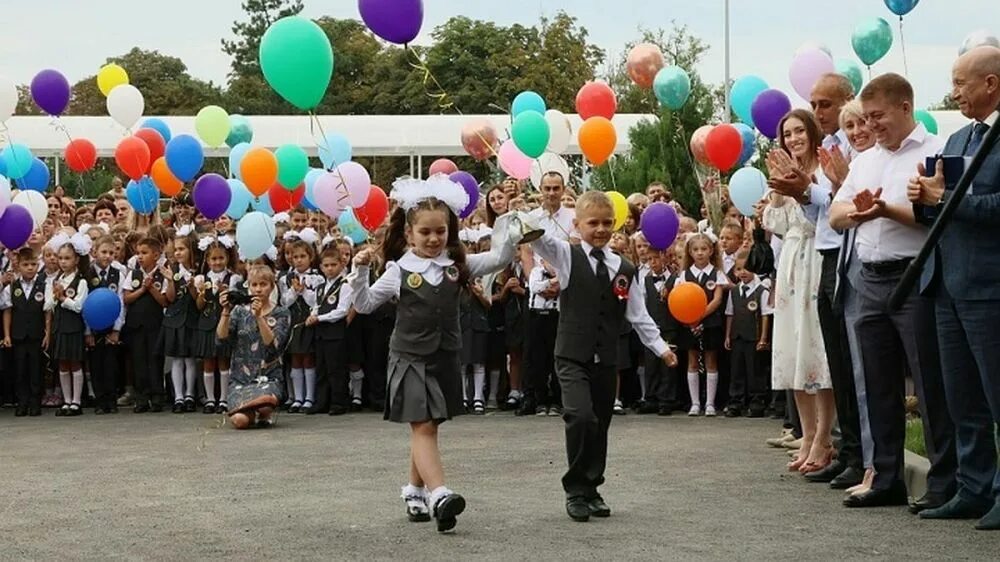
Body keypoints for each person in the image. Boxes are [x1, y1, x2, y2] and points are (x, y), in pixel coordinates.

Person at [349, 175, 515, 533]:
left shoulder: (458, 266)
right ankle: (440, 494)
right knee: (423, 424)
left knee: (427, 426)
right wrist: (360, 270)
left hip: (445, 357)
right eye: (425, 232)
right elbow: (363, 305)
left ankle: (413, 489)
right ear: (409, 233)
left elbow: (501, 255)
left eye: (440, 231)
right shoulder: (398, 271)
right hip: (409, 357)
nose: (434, 238)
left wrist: (510, 225)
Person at [830, 73, 957, 509]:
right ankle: (885, 475)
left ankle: (944, 480)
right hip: (868, 276)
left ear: (905, 107)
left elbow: (937, 216)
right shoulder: (866, 159)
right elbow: (836, 213)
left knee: (929, 381)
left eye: (878, 116)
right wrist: (860, 212)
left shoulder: (935, 151)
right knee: (877, 383)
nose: (870, 126)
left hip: (914, 274)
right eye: (865, 118)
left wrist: (886, 209)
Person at [529, 190, 678, 522]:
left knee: (600, 424)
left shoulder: (624, 267)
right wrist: (531, 220)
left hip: (606, 357)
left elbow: (637, 314)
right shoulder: (567, 256)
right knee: (580, 417)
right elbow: (540, 242)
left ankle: (592, 487)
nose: (600, 229)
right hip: (571, 354)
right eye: (592, 223)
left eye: (607, 223)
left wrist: (662, 348)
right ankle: (575, 488)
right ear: (578, 224)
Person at [907, 45, 1000, 529]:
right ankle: (974, 486)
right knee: (961, 395)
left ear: (991, 82)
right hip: (945, 281)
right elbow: (942, 208)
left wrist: (945, 198)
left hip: (989, 284)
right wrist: (924, 199)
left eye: (961, 82)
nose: (954, 91)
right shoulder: (959, 136)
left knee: (995, 391)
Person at [764, 109, 834, 475]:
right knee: (792, 351)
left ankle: (824, 436)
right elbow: (773, 224)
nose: (793, 139)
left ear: (812, 132)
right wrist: (778, 189)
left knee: (815, 347)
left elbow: (819, 217)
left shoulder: (823, 171)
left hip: (815, 259)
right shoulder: (781, 175)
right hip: (790, 263)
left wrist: (801, 186)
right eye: (786, 134)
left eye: (798, 131)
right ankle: (806, 435)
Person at [218, 265, 291, 429]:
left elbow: (273, 346)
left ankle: (263, 412)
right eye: (254, 285)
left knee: (265, 403)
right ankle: (251, 413)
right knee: (240, 421)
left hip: (268, 377)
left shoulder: (282, 312)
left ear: (272, 286)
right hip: (241, 379)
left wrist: (259, 317)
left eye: (263, 284)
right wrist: (225, 312)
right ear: (248, 286)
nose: (258, 289)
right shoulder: (239, 312)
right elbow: (221, 340)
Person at [675, 233, 728, 417]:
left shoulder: (717, 273)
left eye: (704, 249)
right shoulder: (684, 275)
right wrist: (691, 320)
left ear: (711, 250)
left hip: (710, 322)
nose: (700, 253)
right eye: (696, 250)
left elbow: (717, 299)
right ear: (689, 252)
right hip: (689, 324)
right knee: (692, 361)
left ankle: (710, 403)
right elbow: (679, 299)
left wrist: (699, 316)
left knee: (711, 361)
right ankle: (695, 403)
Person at [44, 233, 92, 417]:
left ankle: (76, 401)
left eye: (67, 258)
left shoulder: (80, 282)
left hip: (73, 327)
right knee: (62, 364)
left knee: (75, 363)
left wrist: (64, 298)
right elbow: (47, 305)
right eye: (60, 258)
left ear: (76, 260)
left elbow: (79, 306)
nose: (63, 262)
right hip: (60, 327)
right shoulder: (57, 280)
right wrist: (54, 297)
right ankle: (66, 400)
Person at [123, 238, 171, 413]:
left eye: (145, 253)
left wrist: (152, 289)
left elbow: (165, 302)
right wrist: (143, 289)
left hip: (155, 324)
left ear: (156, 255)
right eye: (138, 253)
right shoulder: (133, 274)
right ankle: (141, 397)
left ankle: (157, 396)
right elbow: (127, 298)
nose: (140, 257)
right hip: (136, 325)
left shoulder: (162, 274)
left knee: (155, 360)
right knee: (139, 361)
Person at [192, 237, 239, 414]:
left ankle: (224, 399)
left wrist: (224, 293)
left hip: (223, 323)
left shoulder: (233, 278)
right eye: (213, 259)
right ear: (207, 260)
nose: (217, 262)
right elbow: (199, 306)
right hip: (206, 324)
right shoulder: (202, 278)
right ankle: (210, 399)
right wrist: (202, 294)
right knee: (208, 362)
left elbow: (234, 304)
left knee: (223, 361)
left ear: (227, 258)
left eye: (221, 258)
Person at [724, 251, 773, 417]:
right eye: (738, 269)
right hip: (737, 336)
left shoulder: (761, 290)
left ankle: (756, 401)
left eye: (747, 268)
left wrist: (763, 338)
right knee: (736, 370)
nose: (742, 272)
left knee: (755, 370)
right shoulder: (734, 291)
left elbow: (766, 315)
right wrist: (728, 335)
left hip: (754, 336)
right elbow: (730, 313)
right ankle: (735, 401)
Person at [279, 229, 322, 413]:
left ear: (310, 257)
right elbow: (284, 302)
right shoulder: (285, 278)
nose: (298, 260)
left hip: (309, 321)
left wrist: (304, 291)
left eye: (302, 256)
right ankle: (297, 398)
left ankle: (309, 398)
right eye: (295, 257)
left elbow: (317, 301)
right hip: (294, 322)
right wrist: (294, 291)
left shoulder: (317, 278)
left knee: (308, 359)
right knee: (295, 359)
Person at [306, 246, 353, 415]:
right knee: (322, 368)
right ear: (321, 267)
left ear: (342, 264)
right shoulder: (321, 287)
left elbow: (342, 311)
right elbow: (317, 306)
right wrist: (313, 315)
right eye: (326, 265)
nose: (330, 269)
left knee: (336, 369)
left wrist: (320, 318)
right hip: (321, 333)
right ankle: (322, 402)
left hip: (336, 333)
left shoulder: (345, 285)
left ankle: (339, 402)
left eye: (333, 265)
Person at [1, 247, 48, 416]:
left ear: (38, 265)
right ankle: (22, 402)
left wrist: (47, 333)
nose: (30, 268)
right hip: (18, 335)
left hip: (36, 335)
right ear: (18, 266)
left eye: (33, 264)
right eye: (26, 264)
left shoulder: (43, 285)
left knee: (36, 369)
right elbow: (7, 310)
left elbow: (47, 312)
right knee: (20, 370)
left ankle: (35, 402)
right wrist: (7, 335)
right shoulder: (12, 287)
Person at [636, 249, 680, 416]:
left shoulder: (676, 280)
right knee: (651, 363)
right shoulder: (645, 280)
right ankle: (651, 398)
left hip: (669, 327)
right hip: (652, 327)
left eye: (656, 258)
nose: (652, 262)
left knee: (668, 364)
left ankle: (667, 399)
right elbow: (642, 303)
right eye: (649, 260)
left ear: (665, 258)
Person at [85, 236, 126, 415]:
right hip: (93, 327)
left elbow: (121, 303)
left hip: (111, 326)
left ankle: (111, 399)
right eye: (104, 252)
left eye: (111, 253)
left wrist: (117, 329)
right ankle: (100, 400)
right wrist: (87, 331)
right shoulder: (87, 274)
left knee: (110, 364)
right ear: (94, 252)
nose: (108, 256)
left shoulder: (118, 274)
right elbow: (85, 304)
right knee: (96, 364)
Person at [519, 257, 560, 416]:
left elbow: (562, 285)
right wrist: (550, 283)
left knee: (555, 358)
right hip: (536, 317)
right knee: (537, 359)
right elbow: (535, 287)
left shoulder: (562, 273)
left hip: (554, 316)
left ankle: (556, 401)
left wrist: (554, 280)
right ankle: (540, 400)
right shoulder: (536, 271)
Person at [163, 231, 199, 413]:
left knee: (190, 359)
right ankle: (178, 396)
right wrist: (170, 281)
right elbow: (169, 298)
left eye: (181, 249)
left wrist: (193, 285)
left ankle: (190, 394)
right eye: (175, 249)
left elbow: (198, 300)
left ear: (191, 250)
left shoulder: (198, 270)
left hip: (192, 318)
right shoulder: (172, 270)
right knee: (177, 358)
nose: (177, 253)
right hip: (175, 318)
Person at [529, 172, 576, 242]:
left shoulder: (573, 217)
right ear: (540, 189)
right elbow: (526, 250)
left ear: (563, 189)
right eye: (547, 189)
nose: (551, 193)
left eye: (556, 188)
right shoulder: (531, 217)